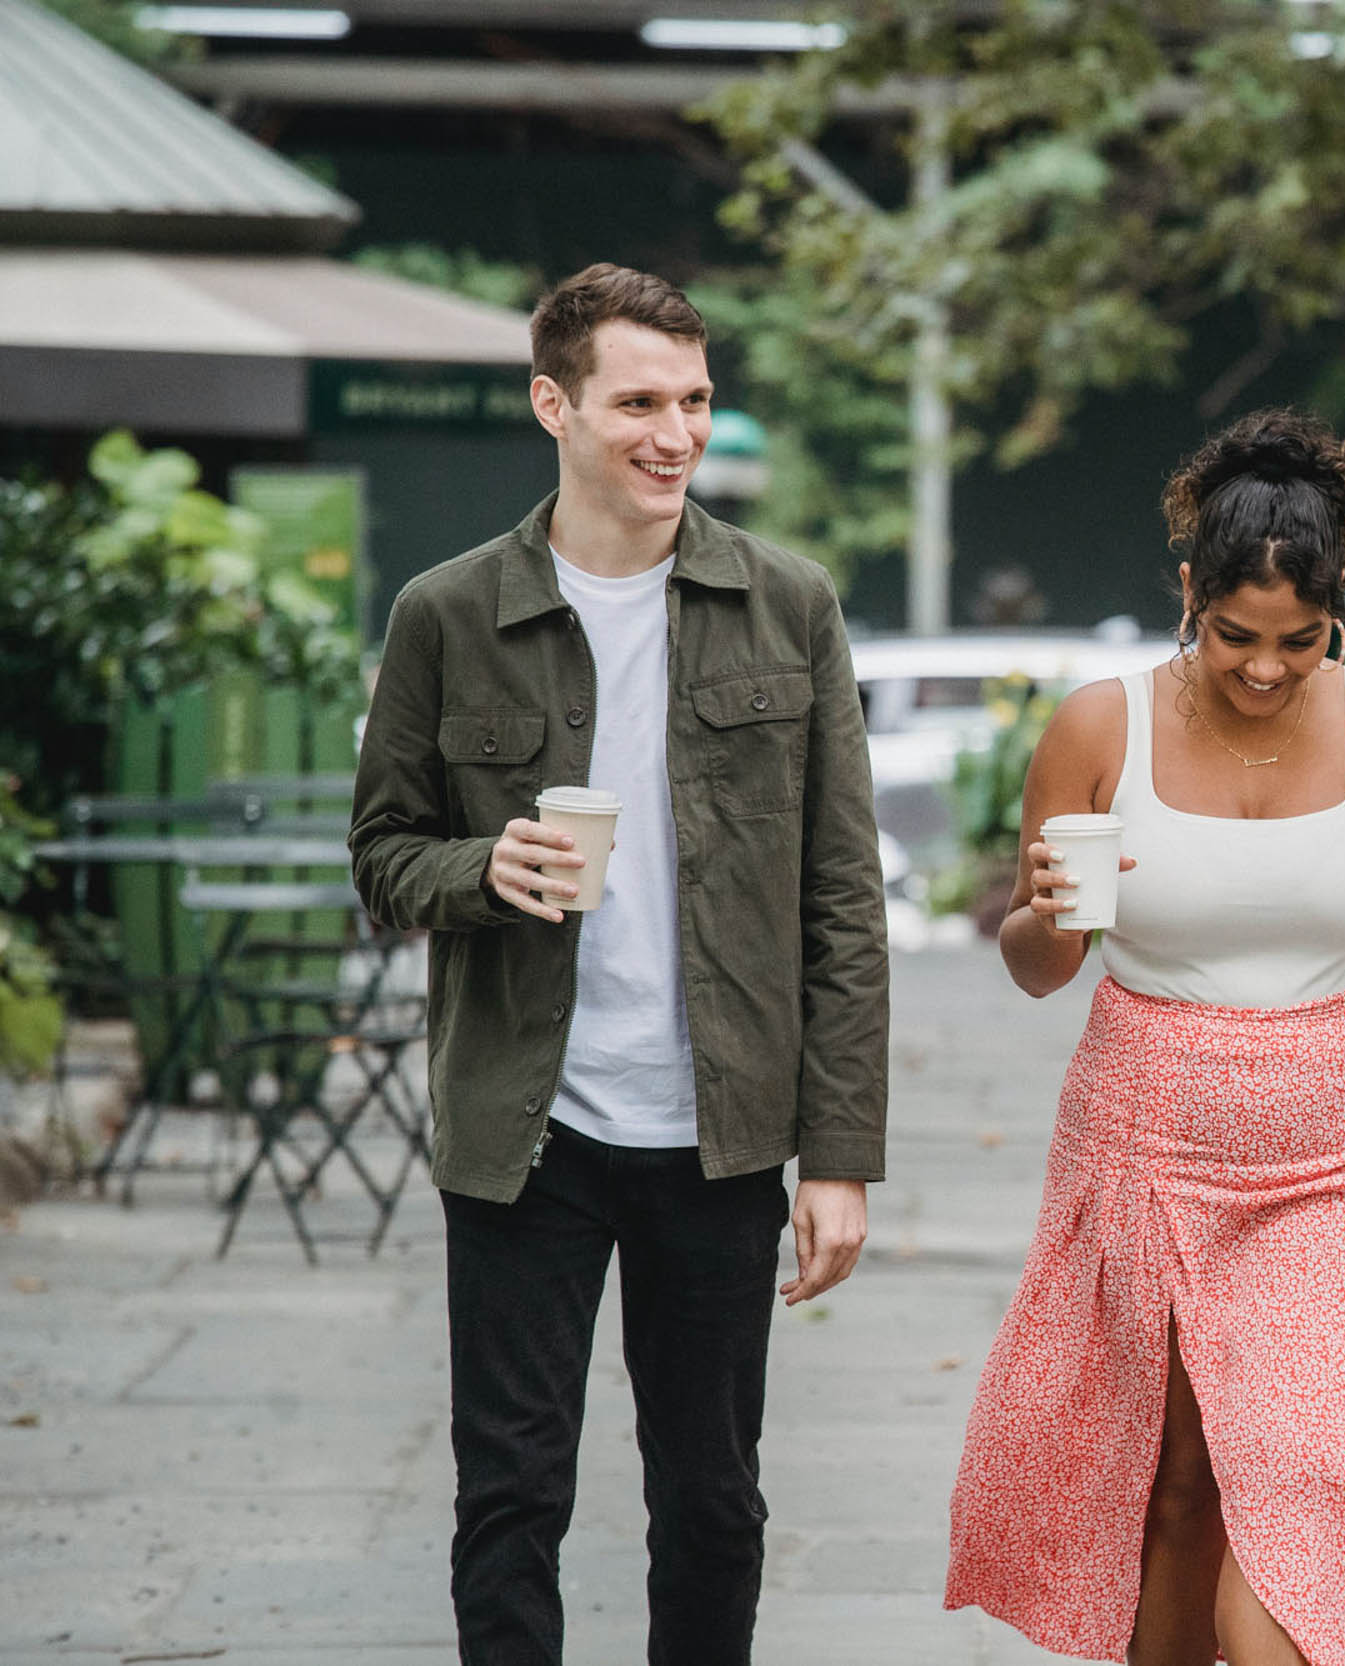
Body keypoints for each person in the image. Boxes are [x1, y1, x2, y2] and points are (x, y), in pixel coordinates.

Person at [348, 263, 889, 1666]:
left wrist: (840, 1152)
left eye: (696, 401)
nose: (677, 434)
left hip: (721, 1135)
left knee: (711, 1501)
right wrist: (486, 869)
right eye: (639, 400)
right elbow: (383, 853)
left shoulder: (790, 604)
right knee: (511, 1497)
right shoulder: (447, 613)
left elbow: (843, 894)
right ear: (555, 404)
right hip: (527, 1130)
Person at [946, 409, 1345, 1666]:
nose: (1265, 669)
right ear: (1186, 596)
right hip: (1146, 1143)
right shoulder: (1101, 728)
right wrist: (1041, 917)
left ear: (1339, 618)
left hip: (1340, 1155)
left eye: (1300, 642)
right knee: (1174, 1487)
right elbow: (1041, 970)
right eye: (1234, 636)